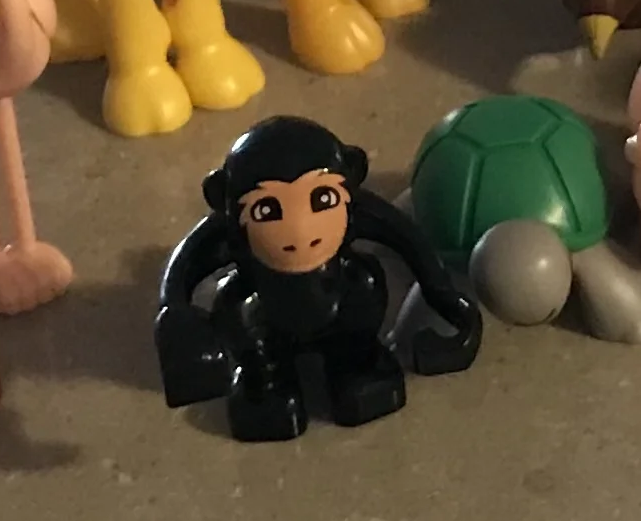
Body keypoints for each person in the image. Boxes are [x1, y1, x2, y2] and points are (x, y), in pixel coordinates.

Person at [154, 117, 486, 442]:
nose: (301, 233)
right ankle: (263, 378)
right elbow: (182, 273)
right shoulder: (227, 232)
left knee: (364, 280)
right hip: (265, 322)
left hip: (340, 311)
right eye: (267, 210)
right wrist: (179, 325)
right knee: (235, 305)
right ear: (223, 198)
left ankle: (356, 361)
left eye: (323, 199)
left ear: (352, 175)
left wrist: (447, 301)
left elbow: (412, 245)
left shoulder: (357, 211)